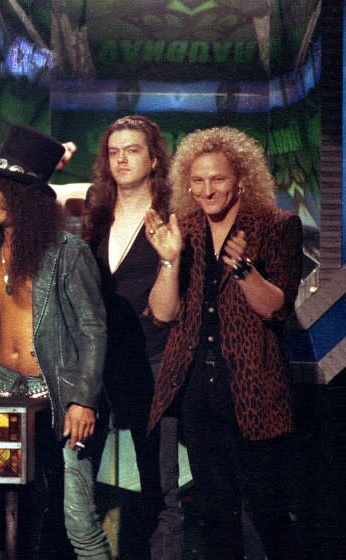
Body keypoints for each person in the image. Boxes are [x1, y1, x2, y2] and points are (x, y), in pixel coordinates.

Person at [145, 127, 305, 560]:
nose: (206, 189)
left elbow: (277, 309)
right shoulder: (187, 231)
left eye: (217, 179)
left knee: (267, 510)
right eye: (197, 180)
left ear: (240, 180)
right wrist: (170, 259)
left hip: (255, 387)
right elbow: (162, 315)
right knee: (215, 511)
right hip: (198, 388)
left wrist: (244, 270)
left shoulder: (276, 226)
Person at [0, 124, 111, 559]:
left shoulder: (67, 252)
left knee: (78, 522)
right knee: (0, 518)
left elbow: (93, 328)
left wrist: (84, 399)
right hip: (3, 392)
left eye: (6, 189)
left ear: (30, 197)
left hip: (61, 395)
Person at [83, 115, 183, 559]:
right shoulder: (96, 212)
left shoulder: (173, 216)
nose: (121, 159)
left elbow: (169, 311)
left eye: (133, 150)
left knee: (160, 488)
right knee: (77, 483)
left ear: (154, 157)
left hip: (154, 362)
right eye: (114, 151)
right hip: (99, 365)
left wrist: (168, 261)